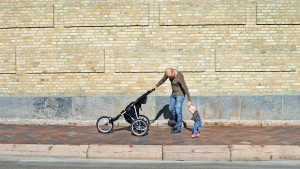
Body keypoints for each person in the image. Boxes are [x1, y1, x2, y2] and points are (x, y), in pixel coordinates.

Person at [154, 68, 191, 134]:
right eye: (169, 77)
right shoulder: (168, 73)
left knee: (178, 110)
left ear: (173, 72)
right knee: (171, 108)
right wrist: (156, 85)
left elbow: (185, 88)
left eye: (170, 76)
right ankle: (177, 121)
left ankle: (178, 127)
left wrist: (189, 100)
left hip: (180, 94)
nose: (170, 78)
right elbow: (163, 80)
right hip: (173, 93)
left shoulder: (179, 77)